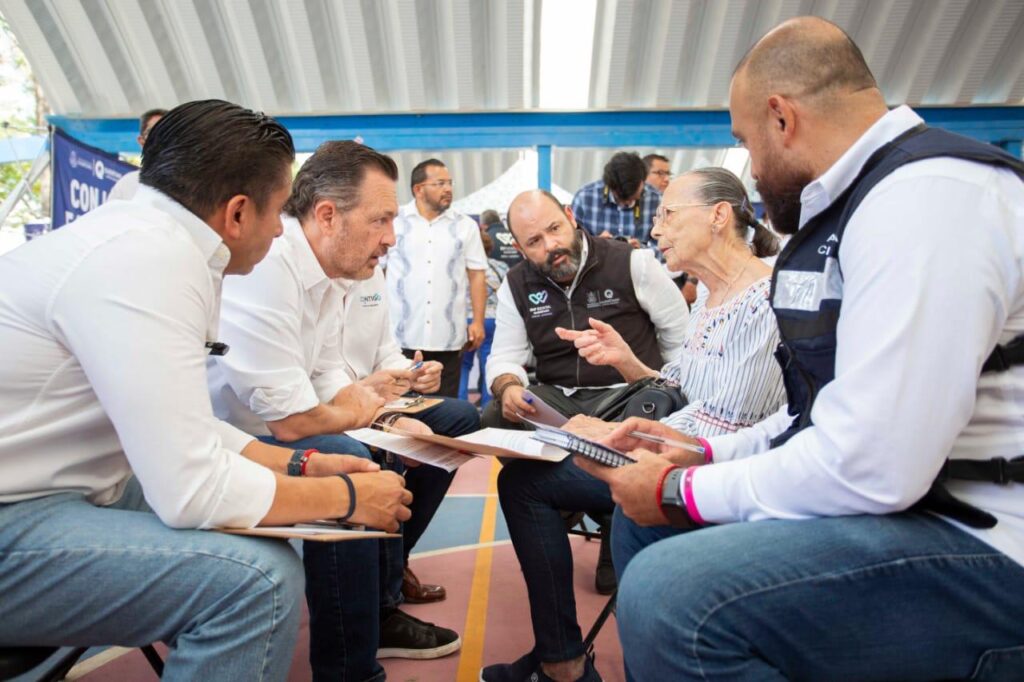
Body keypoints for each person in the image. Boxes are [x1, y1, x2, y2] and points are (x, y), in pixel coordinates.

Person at [581, 17, 1024, 682]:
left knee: (671, 600)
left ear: (781, 118)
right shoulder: (860, 210)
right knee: (645, 526)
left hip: (987, 540)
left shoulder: (926, 203)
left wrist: (680, 487)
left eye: (745, 143)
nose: (753, 172)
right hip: (915, 509)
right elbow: (813, 419)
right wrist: (703, 454)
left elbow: (873, 464)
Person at [0, 100, 412, 682]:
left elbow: (182, 424)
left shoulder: (147, 241)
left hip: (59, 487)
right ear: (238, 212)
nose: (281, 228)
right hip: (20, 511)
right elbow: (190, 490)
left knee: (266, 540)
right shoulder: (148, 262)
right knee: (258, 581)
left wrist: (301, 464)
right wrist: (346, 498)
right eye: (277, 211)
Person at [481, 173, 785, 682]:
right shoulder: (712, 298)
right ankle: (564, 658)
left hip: (703, 466)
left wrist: (626, 436)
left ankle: (565, 660)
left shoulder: (765, 300)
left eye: (667, 215)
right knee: (513, 450)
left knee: (526, 485)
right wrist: (626, 362)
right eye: (533, 240)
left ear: (718, 216)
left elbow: (723, 426)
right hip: (662, 434)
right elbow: (684, 386)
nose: (654, 228)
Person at [208, 140, 475, 679]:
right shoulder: (269, 267)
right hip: (236, 437)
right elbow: (292, 419)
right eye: (381, 220)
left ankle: (379, 601)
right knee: (352, 459)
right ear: (327, 215)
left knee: (429, 431)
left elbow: (329, 371)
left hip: (293, 420)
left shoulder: (332, 271)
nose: (391, 237)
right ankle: (349, 666)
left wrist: (382, 414)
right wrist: (371, 417)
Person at [483, 189, 687, 431]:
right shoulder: (516, 284)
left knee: (653, 408)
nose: (551, 245)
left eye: (554, 228)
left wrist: (671, 387)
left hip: (627, 394)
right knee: (497, 414)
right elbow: (505, 356)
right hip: (558, 399)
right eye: (534, 242)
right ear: (520, 249)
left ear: (570, 216)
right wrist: (509, 388)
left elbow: (680, 337)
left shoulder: (631, 262)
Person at [385, 158, 488, 397]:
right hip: (399, 338)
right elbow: (376, 273)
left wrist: (478, 321)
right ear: (418, 189)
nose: (448, 189)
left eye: (450, 183)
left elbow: (477, 275)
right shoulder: (394, 223)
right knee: (399, 406)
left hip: (448, 338)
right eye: (440, 183)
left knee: (444, 407)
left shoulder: (465, 226)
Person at [459, 229, 510, 407]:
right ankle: (489, 407)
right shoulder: (500, 267)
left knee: (463, 365)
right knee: (489, 364)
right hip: (494, 320)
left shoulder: (462, 268)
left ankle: (461, 407)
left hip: (466, 319)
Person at [571, 151, 661, 246]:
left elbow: (664, 246)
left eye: (633, 198)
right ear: (609, 186)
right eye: (620, 199)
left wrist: (642, 250)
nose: (627, 204)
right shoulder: (584, 198)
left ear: (643, 181)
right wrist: (595, 244)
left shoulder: (655, 200)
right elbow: (571, 245)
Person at [108, 107, 166, 201]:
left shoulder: (189, 184)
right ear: (142, 141)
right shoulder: (126, 186)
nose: (159, 139)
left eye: (165, 132)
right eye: (152, 132)